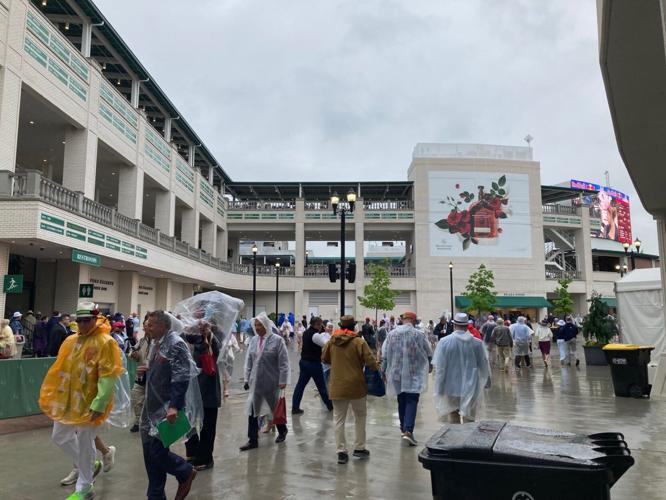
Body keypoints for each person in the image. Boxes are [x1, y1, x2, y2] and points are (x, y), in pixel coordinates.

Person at [39, 302, 128, 500]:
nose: (82, 324)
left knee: (86, 441)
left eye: (86, 320)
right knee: (59, 436)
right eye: (79, 320)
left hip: (90, 402)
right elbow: (60, 369)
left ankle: (85, 487)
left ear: (95, 319)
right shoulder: (71, 341)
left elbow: (108, 375)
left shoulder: (106, 342)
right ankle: (88, 464)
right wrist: (55, 394)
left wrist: (99, 403)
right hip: (68, 401)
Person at [138, 310, 200, 500]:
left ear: (165, 326)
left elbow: (181, 376)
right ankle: (155, 496)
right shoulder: (157, 343)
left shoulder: (175, 343)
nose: (148, 327)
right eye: (147, 323)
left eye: (152, 324)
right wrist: (148, 369)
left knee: (156, 450)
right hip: (151, 407)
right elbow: (164, 368)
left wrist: (175, 406)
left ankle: (185, 471)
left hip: (166, 407)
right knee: (150, 454)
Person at [322, 315, 379, 465]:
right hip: (356, 385)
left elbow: (324, 358)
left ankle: (341, 452)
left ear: (340, 325)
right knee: (360, 416)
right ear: (354, 326)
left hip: (337, 385)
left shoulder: (331, 342)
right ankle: (360, 448)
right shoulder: (359, 342)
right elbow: (371, 361)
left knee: (338, 419)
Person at [240, 312, 290, 451]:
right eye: (255, 325)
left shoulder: (277, 341)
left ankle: (282, 430)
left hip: (271, 381)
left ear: (266, 325)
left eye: (260, 325)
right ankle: (252, 439)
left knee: (274, 408)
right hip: (255, 381)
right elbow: (248, 361)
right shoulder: (254, 341)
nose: (257, 327)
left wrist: (283, 380)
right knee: (252, 409)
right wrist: (246, 378)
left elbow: (284, 363)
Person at [381, 312, 432, 446]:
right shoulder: (419, 334)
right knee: (412, 400)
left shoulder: (392, 334)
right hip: (414, 372)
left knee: (401, 399)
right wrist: (430, 364)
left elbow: (385, 352)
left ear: (403, 320)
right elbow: (428, 350)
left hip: (396, 373)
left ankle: (404, 429)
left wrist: (383, 369)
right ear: (414, 321)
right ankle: (408, 431)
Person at [432, 313, 490, 424]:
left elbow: (440, 368)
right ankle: (468, 438)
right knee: (469, 416)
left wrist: (439, 388)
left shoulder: (444, 342)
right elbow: (483, 366)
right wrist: (486, 383)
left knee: (453, 415)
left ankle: (457, 438)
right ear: (467, 325)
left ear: (454, 325)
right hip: (471, 386)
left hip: (450, 386)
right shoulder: (477, 343)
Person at [183, 320, 222, 471]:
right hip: (191, 387)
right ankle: (193, 453)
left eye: (203, 324)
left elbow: (215, 353)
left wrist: (208, 335)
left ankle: (206, 458)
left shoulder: (212, 340)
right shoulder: (187, 338)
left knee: (208, 426)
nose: (199, 326)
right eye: (197, 323)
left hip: (208, 388)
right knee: (188, 422)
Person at [291, 317, 333, 415]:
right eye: (320, 325)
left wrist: (322, 330)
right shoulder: (315, 335)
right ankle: (330, 406)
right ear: (317, 324)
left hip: (304, 362)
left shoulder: (306, 332)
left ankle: (295, 407)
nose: (321, 327)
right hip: (313, 364)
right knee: (321, 387)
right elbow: (326, 344)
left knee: (300, 386)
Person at [129, 329, 151, 433]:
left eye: (150, 325)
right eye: (146, 326)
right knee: (136, 397)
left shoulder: (161, 342)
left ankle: (150, 423)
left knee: (150, 401)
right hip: (141, 376)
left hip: (154, 377)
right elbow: (132, 350)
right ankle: (138, 422)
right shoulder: (143, 340)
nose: (147, 329)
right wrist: (133, 355)